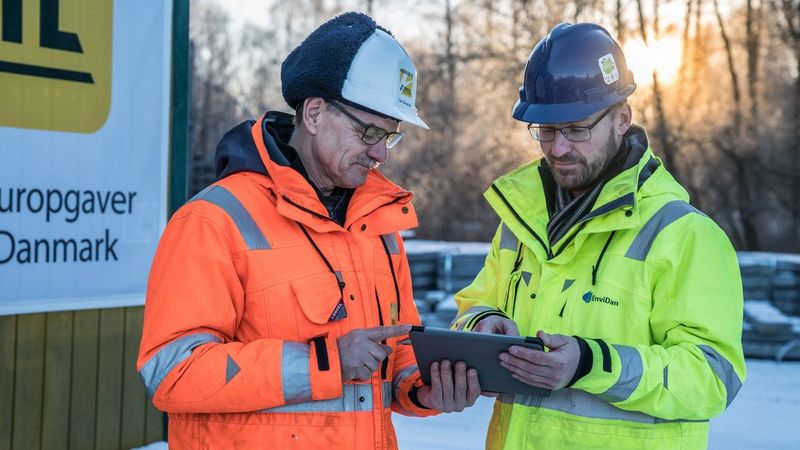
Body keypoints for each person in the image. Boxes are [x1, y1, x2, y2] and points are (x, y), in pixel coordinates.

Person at [137, 12, 480, 449]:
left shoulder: (378, 225)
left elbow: (395, 350)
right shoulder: (214, 220)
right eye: (369, 131)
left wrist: (420, 387)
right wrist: (323, 362)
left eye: (390, 136)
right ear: (315, 113)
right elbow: (173, 372)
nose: (381, 154)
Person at [452, 22, 745, 449]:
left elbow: (713, 378)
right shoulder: (520, 222)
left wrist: (591, 363)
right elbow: (473, 305)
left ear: (622, 118)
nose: (557, 149)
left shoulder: (684, 235)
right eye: (546, 130)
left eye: (576, 129)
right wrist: (481, 323)